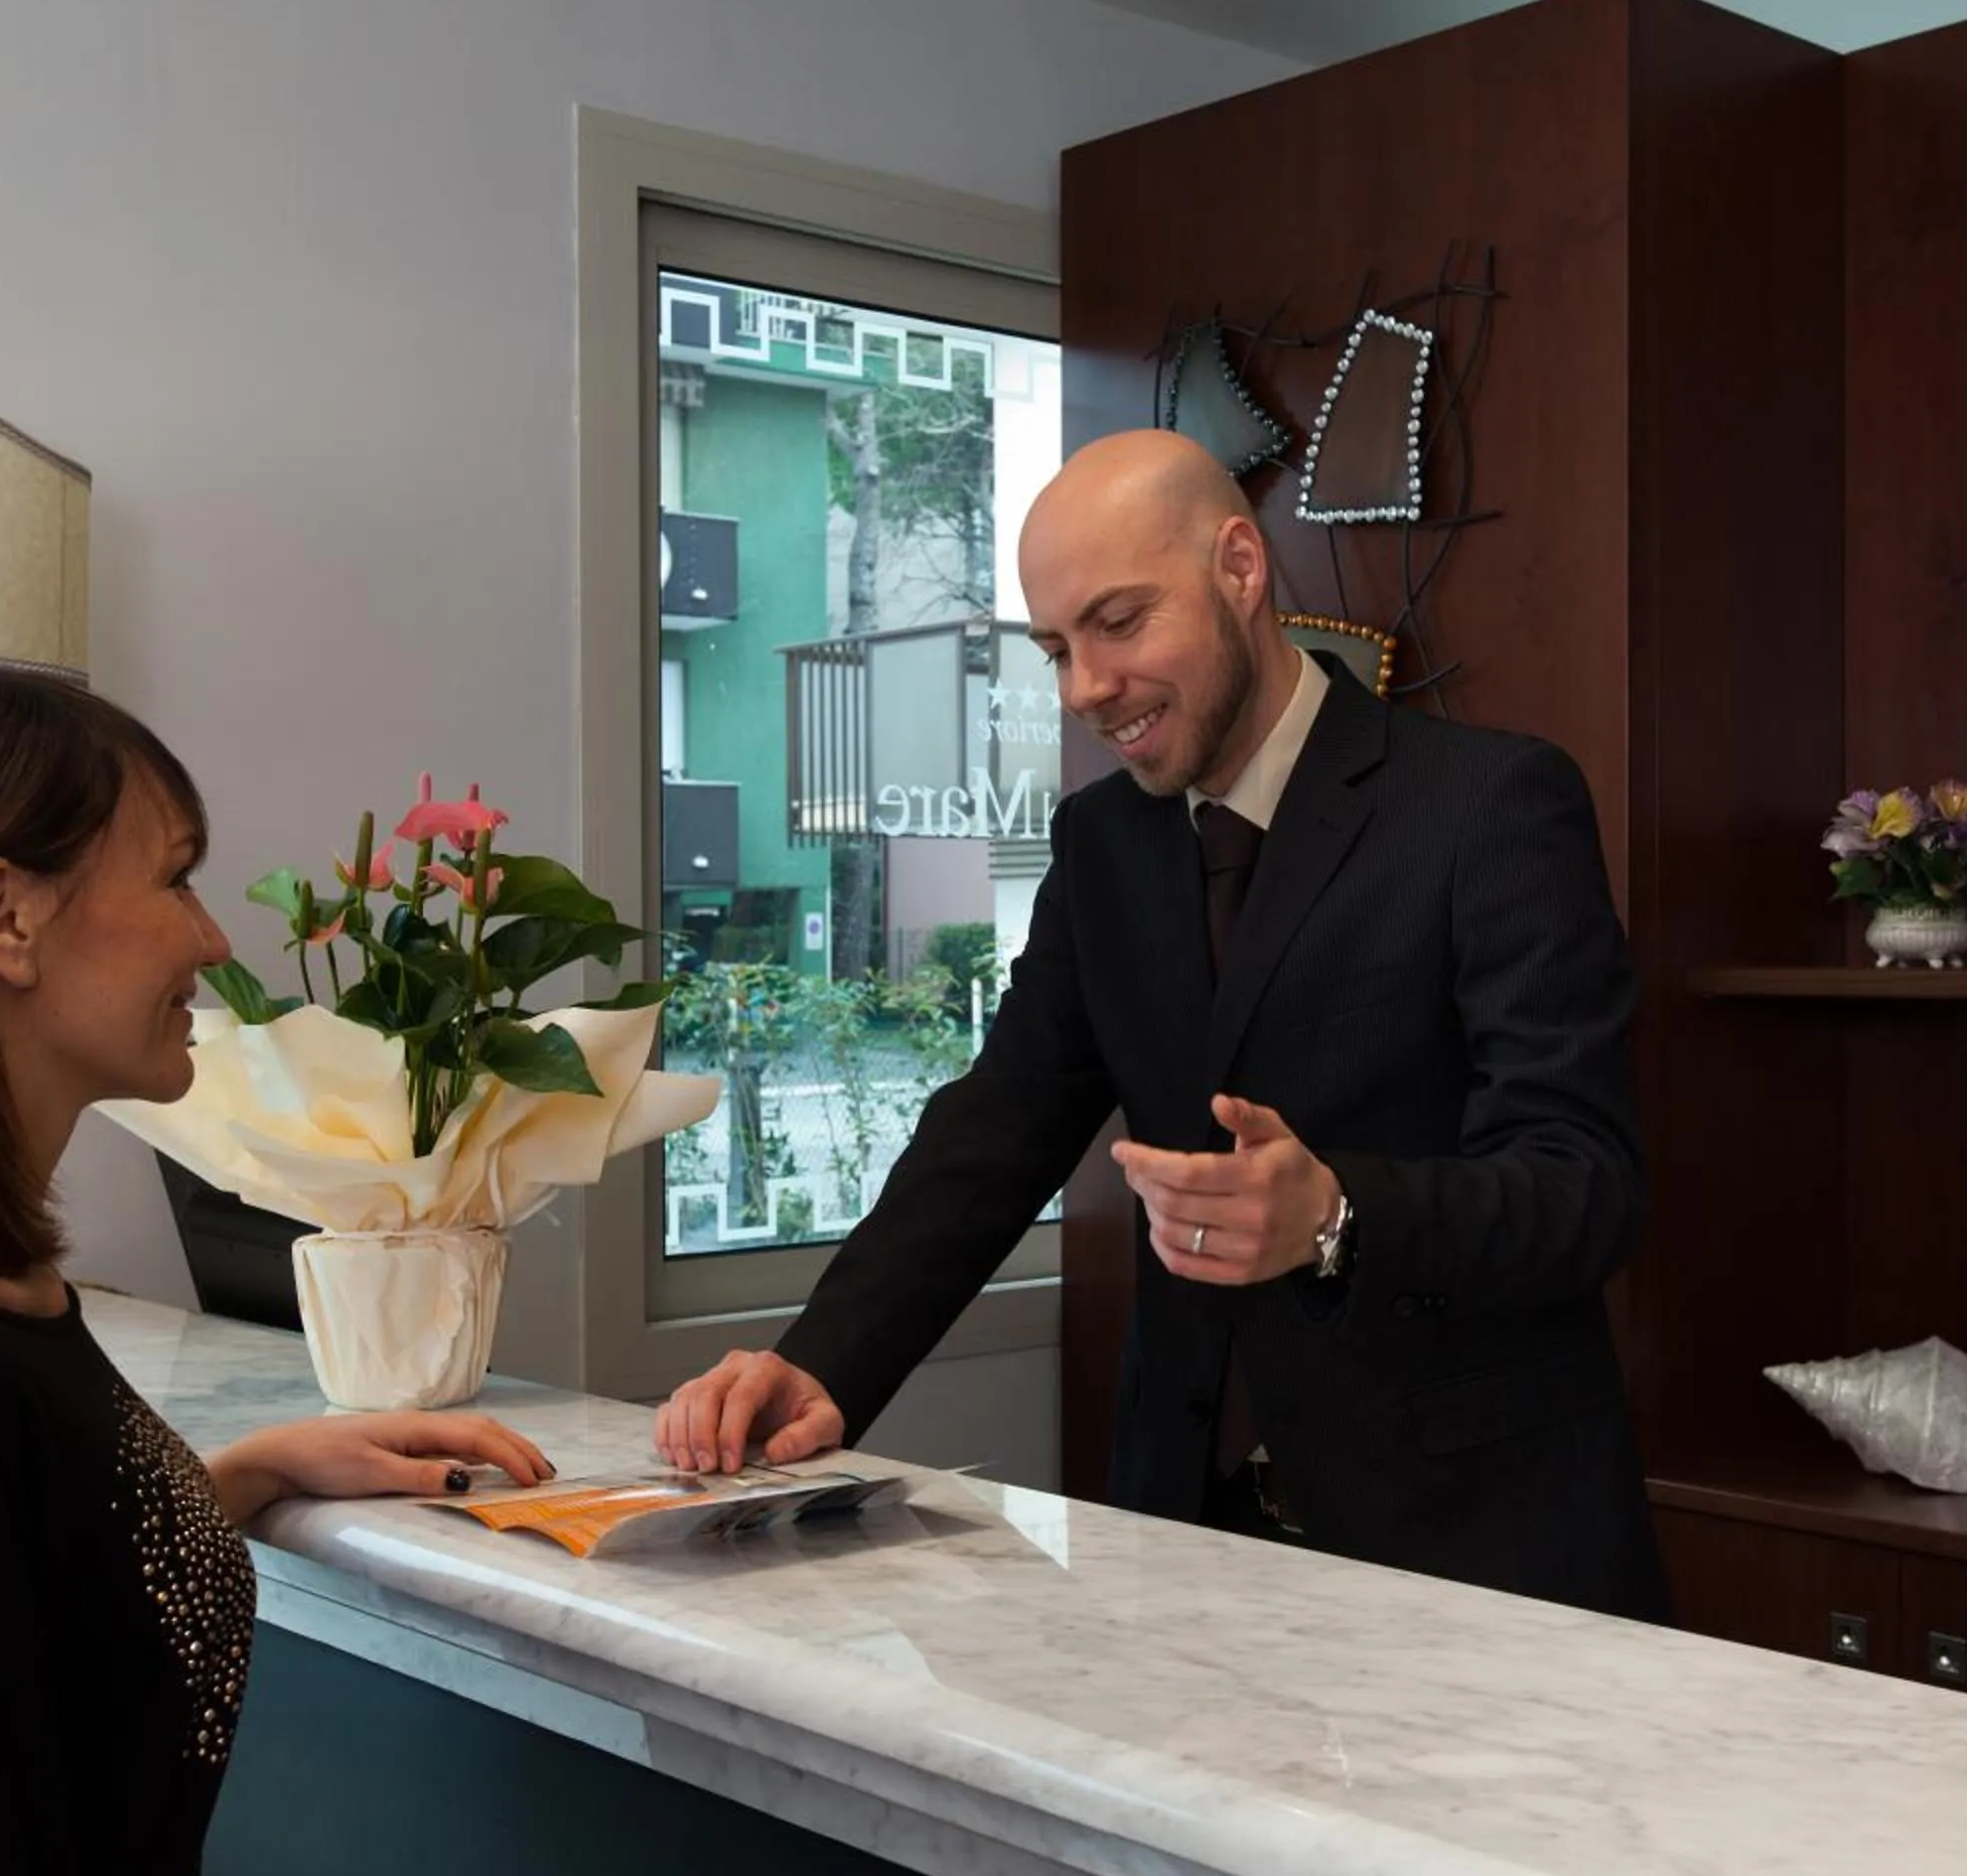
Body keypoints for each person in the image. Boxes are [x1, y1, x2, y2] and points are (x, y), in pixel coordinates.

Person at [657, 430, 1666, 1623]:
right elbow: (995, 1132)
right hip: (1185, 1545)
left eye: (1120, 623)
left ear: (1240, 566)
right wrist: (818, 1360)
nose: (1085, 687)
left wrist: (1339, 1213)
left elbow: (1586, 1181)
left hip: (1475, 1548)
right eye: (1056, 648)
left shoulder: (1490, 803)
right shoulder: (1101, 846)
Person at [0, 647, 554, 1876]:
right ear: (3, 918)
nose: (208, 936)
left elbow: (7, 1590)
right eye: (175, 875)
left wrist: (259, 1466)